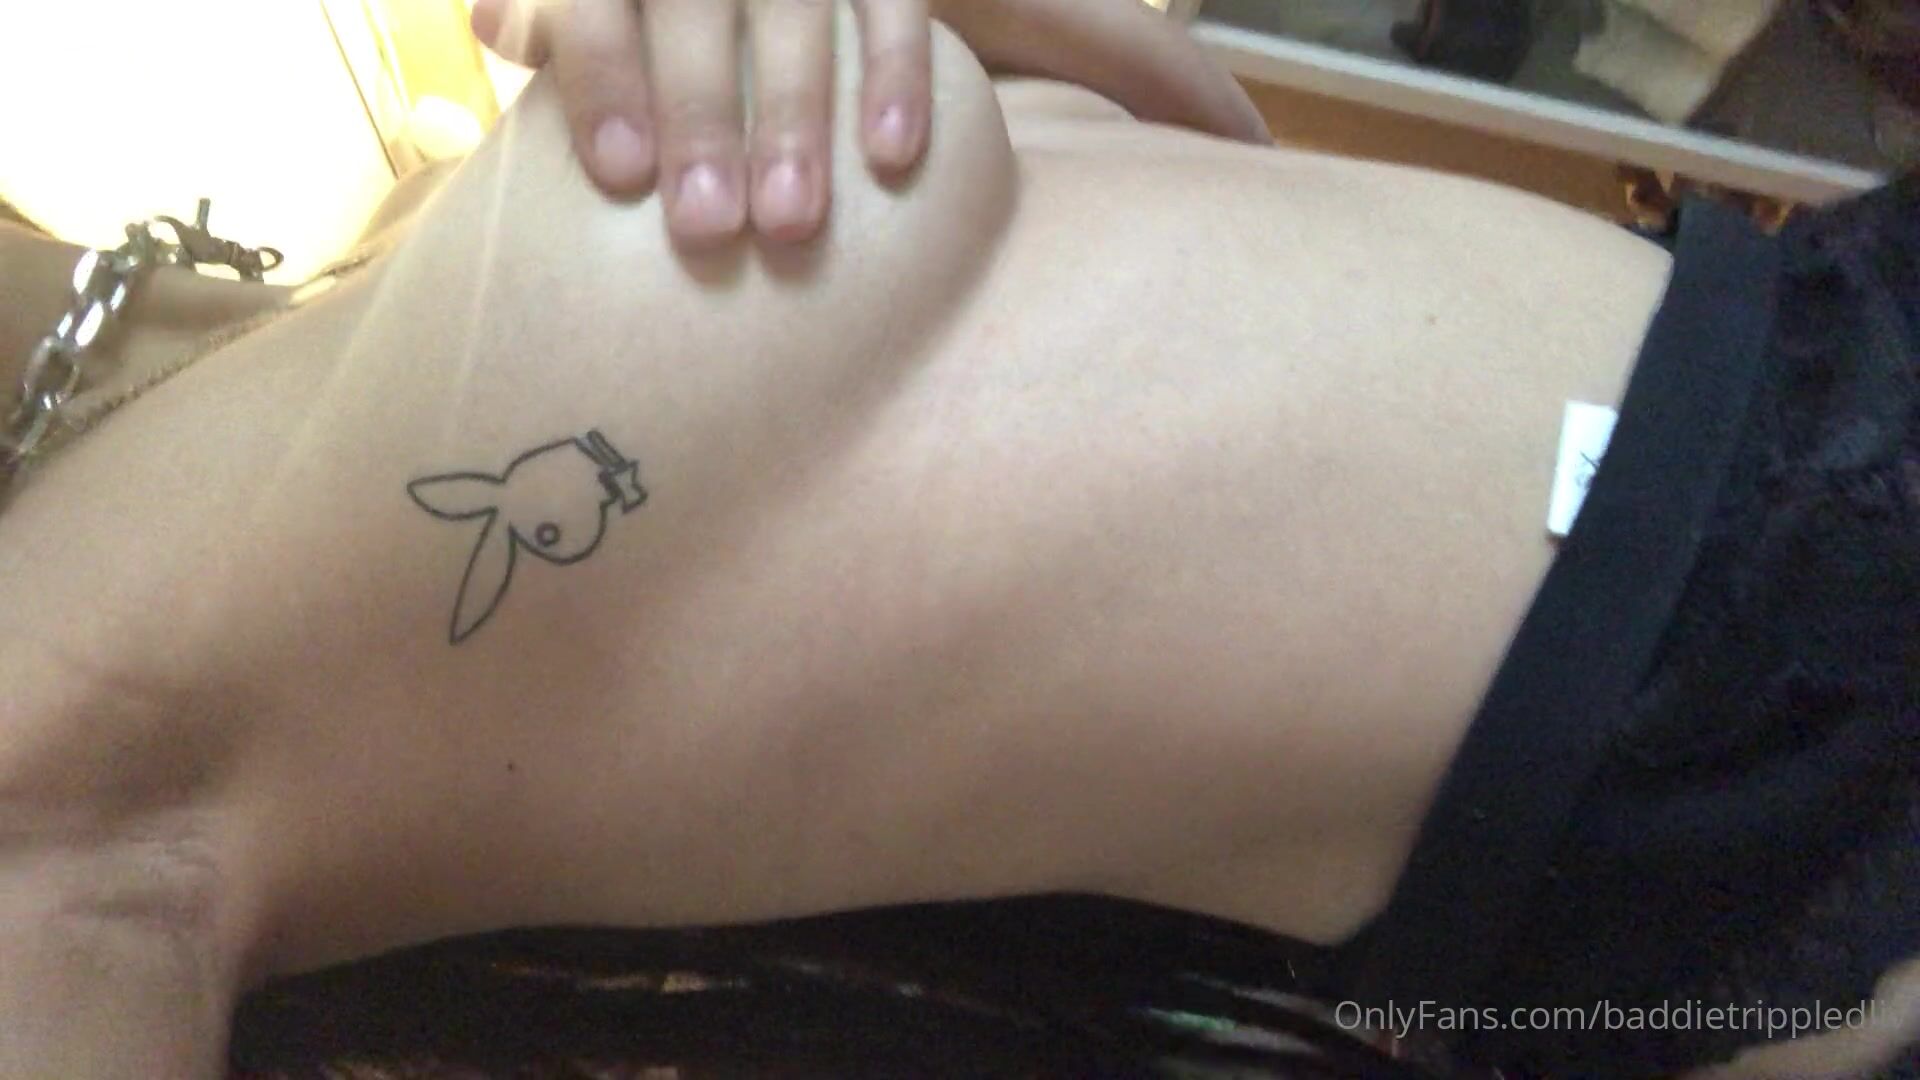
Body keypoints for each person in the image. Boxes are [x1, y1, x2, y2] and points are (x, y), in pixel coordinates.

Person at [0, 2, 1914, 1076]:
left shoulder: (334, 256)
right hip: (1774, 754)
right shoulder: (48, 755)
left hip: (1803, 334)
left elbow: (1200, 137)